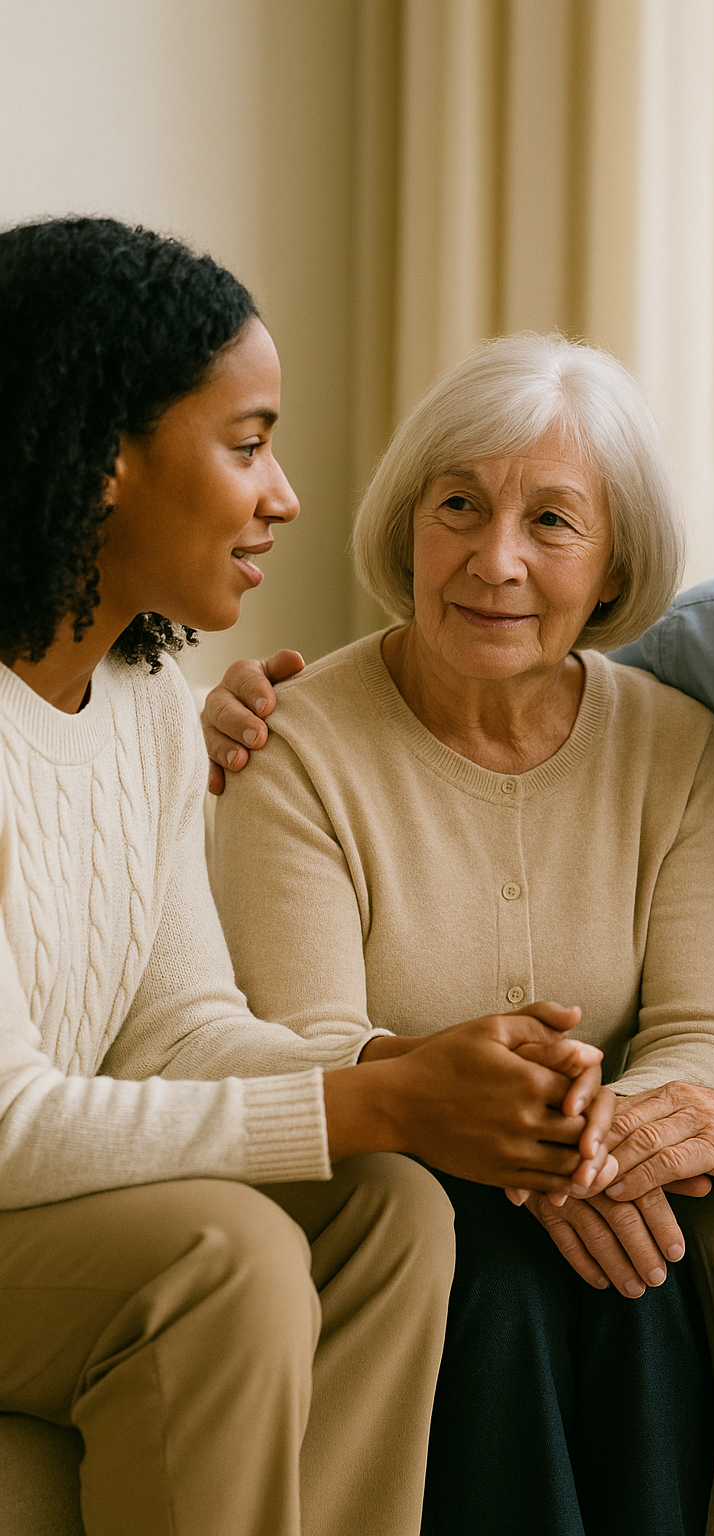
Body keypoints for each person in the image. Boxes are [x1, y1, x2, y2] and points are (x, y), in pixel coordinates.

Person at [210, 274, 714, 1536]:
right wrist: (206, 724)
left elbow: (701, 1027)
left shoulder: (676, 721)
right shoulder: (710, 662)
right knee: (697, 1253)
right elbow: (497, 663)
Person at [0, 217, 613, 1536]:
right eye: (247, 444)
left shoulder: (147, 706)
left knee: (391, 1209)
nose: (283, 495)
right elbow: (8, 1123)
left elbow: (176, 1029)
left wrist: (403, 1072)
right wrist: (369, 1102)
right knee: (226, 1257)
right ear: (104, 458)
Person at [201, 331, 714, 1536]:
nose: (492, 560)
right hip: (383, 1182)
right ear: (410, 526)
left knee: (646, 1277)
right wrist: (519, 1155)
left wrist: (576, 1154)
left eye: (551, 521)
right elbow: (309, 1041)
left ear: (612, 566)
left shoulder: (677, 747)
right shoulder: (291, 744)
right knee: (495, 1276)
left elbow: (704, 1034)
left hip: (595, 1175)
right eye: (457, 505)